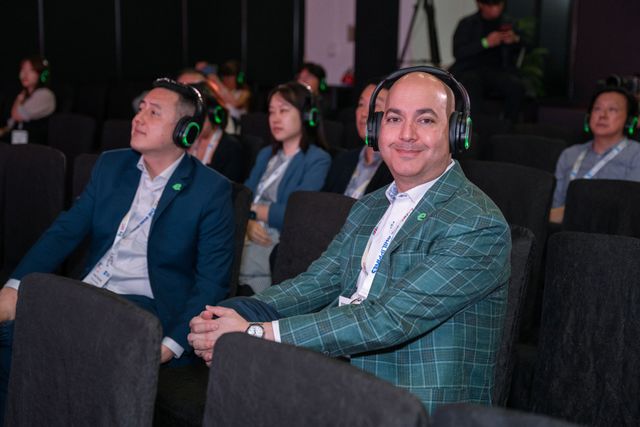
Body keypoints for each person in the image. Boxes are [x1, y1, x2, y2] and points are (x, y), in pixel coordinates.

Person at [189, 67, 511, 413]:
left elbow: (386, 320)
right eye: (393, 119)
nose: (406, 134)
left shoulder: (476, 223)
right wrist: (238, 313)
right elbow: (317, 282)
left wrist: (256, 332)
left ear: (457, 132)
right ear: (376, 130)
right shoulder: (370, 206)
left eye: (426, 120)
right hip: (340, 377)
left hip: (414, 405)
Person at [0, 78, 235, 416]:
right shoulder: (112, 165)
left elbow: (212, 282)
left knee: (63, 347)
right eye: (141, 109)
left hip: (144, 306)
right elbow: (64, 232)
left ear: (185, 131)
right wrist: (14, 287)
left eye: (154, 113)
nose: (138, 118)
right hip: (87, 292)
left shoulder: (211, 191)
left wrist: (170, 346)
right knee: (11, 335)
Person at [239, 81, 331, 293]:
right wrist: (248, 221)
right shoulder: (266, 154)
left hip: (275, 241)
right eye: (272, 112)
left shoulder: (317, 159)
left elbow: (294, 213)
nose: (275, 118)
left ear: (306, 115)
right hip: (247, 232)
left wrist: (249, 212)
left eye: (283, 110)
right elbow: (242, 197)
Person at [550, 86, 640, 223]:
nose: (602, 115)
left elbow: (629, 208)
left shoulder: (636, 155)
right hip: (565, 230)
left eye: (612, 109)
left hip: (613, 231)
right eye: (597, 109)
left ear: (629, 120)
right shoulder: (570, 154)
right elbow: (555, 205)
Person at [449, 0, 525, 122]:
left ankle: (508, 126)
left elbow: (527, 45)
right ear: (480, 4)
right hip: (471, 70)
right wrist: (485, 43)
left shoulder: (509, 23)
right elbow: (459, 52)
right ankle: (473, 127)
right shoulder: (468, 23)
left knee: (516, 87)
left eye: (498, 4)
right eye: (491, 6)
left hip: (498, 71)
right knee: (471, 84)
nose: (495, 9)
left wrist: (515, 39)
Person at [323, 80, 393, 198]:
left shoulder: (397, 169)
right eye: (361, 104)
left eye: (374, 105)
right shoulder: (342, 160)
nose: (364, 113)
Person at [188, 82, 245, 182]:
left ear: (213, 115)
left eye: (197, 116)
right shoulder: (186, 141)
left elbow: (228, 187)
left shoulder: (232, 148)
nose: (192, 121)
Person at [0, 55, 56, 145]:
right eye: (23, 70)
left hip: (36, 147)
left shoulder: (45, 94)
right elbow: (11, 123)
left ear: (40, 74)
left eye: (31, 70)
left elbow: (17, 116)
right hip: (19, 145)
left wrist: (19, 99)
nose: (25, 74)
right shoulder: (24, 94)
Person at [207, 60, 251, 134]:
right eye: (224, 77)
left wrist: (218, 83)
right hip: (221, 125)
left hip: (238, 129)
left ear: (238, 78)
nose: (226, 80)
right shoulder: (219, 91)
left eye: (230, 77)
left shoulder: (245, 93)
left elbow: (235, 103)